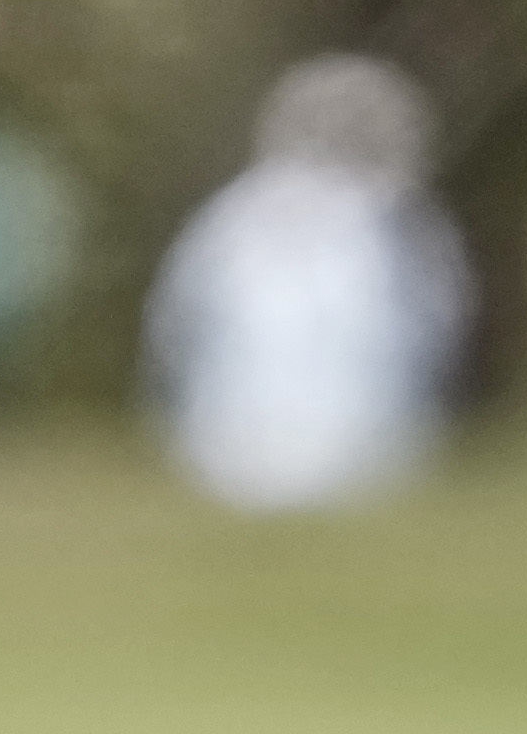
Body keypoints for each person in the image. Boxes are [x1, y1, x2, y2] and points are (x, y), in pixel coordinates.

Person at [147, 53, 471, 510]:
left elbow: (172, 326)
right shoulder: (395, 224)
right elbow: (442, 327)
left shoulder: (230, 215)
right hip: (364, 458)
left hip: (227, 456)